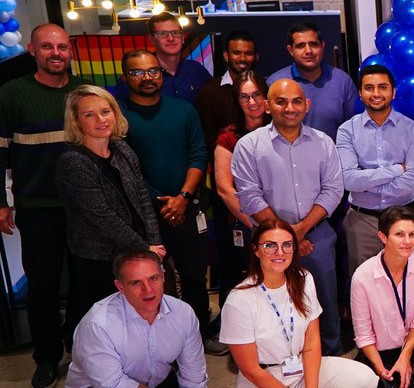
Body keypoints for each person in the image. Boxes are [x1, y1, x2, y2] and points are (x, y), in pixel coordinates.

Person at [0, 23, 91, 387]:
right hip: (38, 207)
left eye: (62, 47)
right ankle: (47, 358)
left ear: (70, 52)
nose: (56, 53)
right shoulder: (12, 93)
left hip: (83, 206)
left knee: (86, 284)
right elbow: (0, 151)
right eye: (48, 47)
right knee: (43, 287)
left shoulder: (85, 93)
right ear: (33, 52)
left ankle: (80, 347)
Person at [117, 49, 220, 355]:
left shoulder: (183, 111)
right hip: (142, 214)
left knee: (193, 277)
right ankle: (158, 342)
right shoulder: (119, 117)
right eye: (137, 72)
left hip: (186, 207)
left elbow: (198, 154)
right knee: (150, 282)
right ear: (124, 78)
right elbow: (126, 166)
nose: (147, 77)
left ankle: (198, 337)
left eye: (153, 71)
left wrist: (183, 198)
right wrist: (160, 202)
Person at [232, 79, 345, 355]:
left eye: (296, 101)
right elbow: (248, 195)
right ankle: (277, 359)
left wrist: (302, 230)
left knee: (324, 301)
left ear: (306, 106)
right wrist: (287, 237)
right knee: (271, 301)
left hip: (315, 236)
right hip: (268, 240)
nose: (289, 108)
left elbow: (333, 189)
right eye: (281, 101)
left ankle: (329, 358)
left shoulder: (323, 143)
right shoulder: (249, 145)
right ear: (268, 106)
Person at [56, 84, 167, 360]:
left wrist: (154, 241)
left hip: (138, 250)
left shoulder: (121, 149)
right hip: (98, 259)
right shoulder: (73, 161)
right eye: (90, 115)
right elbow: (102, 217)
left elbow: (143, 197)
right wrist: (145, 250)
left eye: (105, 111)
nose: (101, 119)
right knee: (107, 329)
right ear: (76, 121)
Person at [221, 219, 378, 387]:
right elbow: (251, 370)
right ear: (256, 250)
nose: (280, 252)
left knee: (364, 377)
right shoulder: (239, 300)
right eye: (270, 245)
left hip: (300, 367)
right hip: (264, 376)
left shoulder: (304, 279)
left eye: (287, 245)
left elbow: (311, 344)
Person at [66, 250, 208, 387]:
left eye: (153, 278)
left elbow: (194, 376)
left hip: (157, 381)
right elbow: (114, 384)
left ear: (163, 277)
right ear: (120, 287)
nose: (148, 290)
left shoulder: (184, 313)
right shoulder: (98, 326)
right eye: (136, 283)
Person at [337, 64, 414, 271]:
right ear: (360, 93)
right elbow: (349, 180)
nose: (376, 93)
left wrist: (367, 184)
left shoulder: (412, 129)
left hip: (405, 219)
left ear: (393, 92)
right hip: (363, 221)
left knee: (408, 283)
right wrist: (397, 170)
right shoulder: (347, 131)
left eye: (382, 87)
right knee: (363, 287)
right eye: (369, 88)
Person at [350, 206, 414, 388]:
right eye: (399, 235)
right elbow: (363, 334)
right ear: (383, 237)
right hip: (380, 349)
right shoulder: (363, 276)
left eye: (412, 234)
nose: (407, 241)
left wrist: (405, 356)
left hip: (413, 341)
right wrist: (380, 370)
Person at [213, 70, 270, 315]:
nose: (252, 102)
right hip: (247, 224)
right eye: (245, 97)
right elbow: (225, 189)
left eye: (257, 94)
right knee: (251, 282)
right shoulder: (228, 138)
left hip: (284, 221)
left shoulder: (284, 128)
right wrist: (257, 224)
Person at [267, 21, 358, 140]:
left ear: (322, 45)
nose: (308, 51)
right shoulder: (275, 83)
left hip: (333, 155)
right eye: (300, 46)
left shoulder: (342, 81)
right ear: (290, 50)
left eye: (313, 44)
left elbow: (353, 130)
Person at [114, 12, 211, 103]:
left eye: (175, 33)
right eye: (162, 34)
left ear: (182, 38)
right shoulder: (135, 76)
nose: (171, 39)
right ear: (152, 39)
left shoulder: (197, 71)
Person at [195, 30, 257, 150]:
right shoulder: (209, 91)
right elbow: (207, 138)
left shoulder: (264, 89)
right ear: (226, 56)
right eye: (236, 53)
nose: (242, 58)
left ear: (256, 57)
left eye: (248, 53)